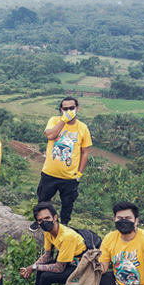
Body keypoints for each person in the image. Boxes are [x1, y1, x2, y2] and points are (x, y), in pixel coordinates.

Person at [7, 202, 86, 285]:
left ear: (55, 217)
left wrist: (34, 268)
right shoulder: (48, 232)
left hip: (81, 267)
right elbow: (47, 256)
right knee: (43, 267)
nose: (44, 222)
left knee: (46, 276)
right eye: (40, 220)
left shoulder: (67, 236)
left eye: (47, 218)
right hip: (68, 261)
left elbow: (59, 268)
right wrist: (31, 267)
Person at [31, 97, 92, 229]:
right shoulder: (54, 120)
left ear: (77, 108)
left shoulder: (83, 128)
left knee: (67, 204)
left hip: (69, 177)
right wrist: (64, 120)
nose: (69, 111)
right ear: (61, 109)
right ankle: (39, 221)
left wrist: (79, 174)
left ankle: (63, 226)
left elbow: (85, 152)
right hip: (49, 173)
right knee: (43, 201)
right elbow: (50, 136)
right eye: (65, 109)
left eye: (72, 108)